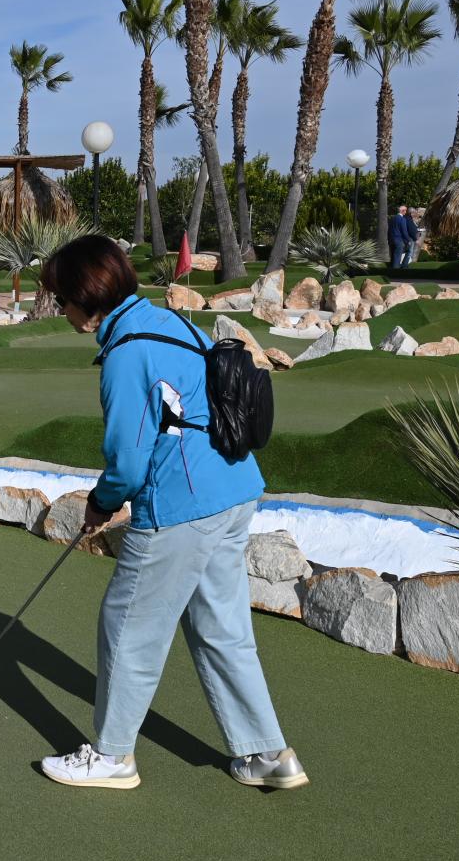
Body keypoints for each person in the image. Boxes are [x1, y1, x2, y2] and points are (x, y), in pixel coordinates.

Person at [33, 235, 307, 792]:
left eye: (62, 299)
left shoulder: (125, 352)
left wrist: (101, 503)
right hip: (234, 489)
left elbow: (129, 461)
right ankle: (267, 755)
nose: (62, 311)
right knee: (222, 628)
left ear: (86, 297)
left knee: (129, 626)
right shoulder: (169, 321)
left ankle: (112, 756)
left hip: (181, 503)